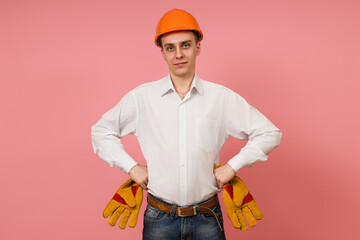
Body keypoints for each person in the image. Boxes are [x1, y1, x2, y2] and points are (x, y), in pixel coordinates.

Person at [91, 8, 282, 240]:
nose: (178, 54)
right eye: (170, 47)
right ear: (162, 52)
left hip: (207, 218)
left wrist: (233, 165)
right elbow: (101, 131)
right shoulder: (142, 98)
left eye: (185, 45)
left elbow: (270, 133)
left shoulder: (221, 99)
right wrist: (131, 167)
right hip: (159, 218)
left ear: (198, 47)